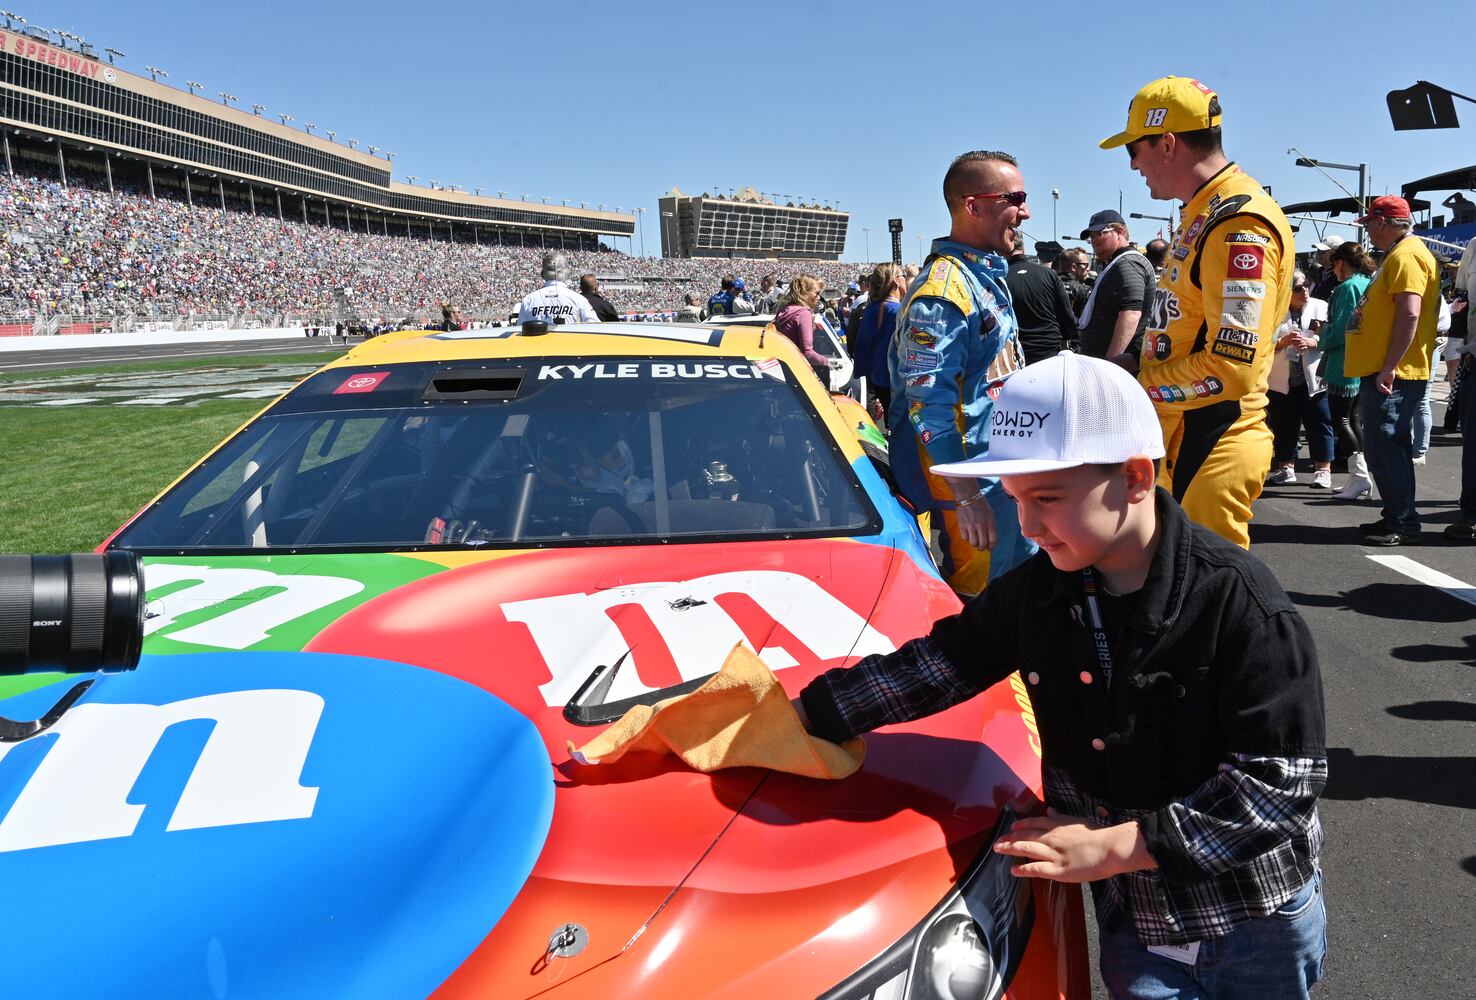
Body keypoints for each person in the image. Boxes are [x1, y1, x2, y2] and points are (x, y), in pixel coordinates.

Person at [797, 352, 1328, 1000]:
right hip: (1136, 922)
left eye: (1047, 498)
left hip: (1253, 922)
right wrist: (804, 715)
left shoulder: (1241, 605)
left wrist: (1114, 849)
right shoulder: (1035, 594)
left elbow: (1276, 789)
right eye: (1016, 499)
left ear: (1134, 477)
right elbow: (940, 665)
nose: (1026, 526)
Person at [1101, 76, 1294, 549]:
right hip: (1182, 432)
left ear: (1167, 144)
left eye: (1134, 148)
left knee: (1208, 606)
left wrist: (1132, 390)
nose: (1131, 164)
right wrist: (1131, 363)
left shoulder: (1237, 223)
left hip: (1211, 437)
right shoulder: (1202, 211)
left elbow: (1232, 366)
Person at [888, 149, 1034, 596]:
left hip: (1004, 474)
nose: (1025, 211)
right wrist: (968, 498)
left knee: (1019, 594)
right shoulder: (943, 293)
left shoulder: (984, 274)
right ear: (973, 206)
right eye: (1015, 198)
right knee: (983, 607)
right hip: (972, 486)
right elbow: (927, 409)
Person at [1342, 196, 1442, 545]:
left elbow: (1409, 313)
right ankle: (1395, 517)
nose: (1367, 229)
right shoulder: (1400, 254)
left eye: (1369, 222)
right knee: (1384, 445)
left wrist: (1391, 366)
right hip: (1387, 369)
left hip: (1394, 371)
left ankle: (1402, 523)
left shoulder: (1407, 255)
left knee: (1387, 444)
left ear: (1383, 222)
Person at [1320, 241, 1377, 500]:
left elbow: (1344, 326)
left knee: (1342, 419)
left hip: (1344, 362)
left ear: (1341, 262)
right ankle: (1359, 478)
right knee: (1353, 419)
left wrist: (1320, 336)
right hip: (1359, 359)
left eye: (1334, 264)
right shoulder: (1366, 282)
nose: (1333, 270)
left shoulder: (1349, 286)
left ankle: (1360, 477)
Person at [1265, 273, 1333, 487]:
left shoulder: (1320, 306)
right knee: (1284, 424)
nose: (1304, 290)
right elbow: (1263, 342)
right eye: (1298, 288)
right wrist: (1282, 342)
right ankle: (1286, 467)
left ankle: (1323, 470)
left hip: (1313, 378)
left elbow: (1331, 334)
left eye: (1307, 284)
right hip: (1280, 379)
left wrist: (1314, 342)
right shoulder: (1273, 309)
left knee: (1320, 423)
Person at [1077, 210, 1154, 361]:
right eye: (1091, 237)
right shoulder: (1118, 262)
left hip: (1115, 367)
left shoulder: (1127, 263)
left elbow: (1130, 315)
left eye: (1099, 233)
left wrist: (1110, 364)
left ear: (1120, 231)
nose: (1093, 240)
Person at [1005, 235, 1079, 363]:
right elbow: (1066, 314)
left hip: (1017, 355)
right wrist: (1075, 343)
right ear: (1023, 248)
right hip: (1050, 351)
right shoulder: (1049, 274)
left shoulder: (1000, 278)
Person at [851, 263, 905, 416]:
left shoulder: (871, 307)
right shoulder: (897, 311)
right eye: (903, 276)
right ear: (895, 280)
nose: (905, 280)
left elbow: (862, 345)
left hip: (878, 377)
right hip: (896, 379)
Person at [773, 274, 836, 384]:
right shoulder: (803, 313)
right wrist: (825, 362)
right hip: (796, 371)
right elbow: (807, 352)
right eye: (816, 293)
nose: (818, 297)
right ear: (805, 292)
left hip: (782, 368)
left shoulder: (785, 310)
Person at [516, 251, 600, 326]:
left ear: (542, 274)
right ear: (567, 273)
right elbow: (596, 327)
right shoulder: (579, 299)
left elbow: (519, 330)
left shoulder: (528, 300)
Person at [1309, 237, 1344, 303]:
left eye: (1322, 251)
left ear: (1335, 253)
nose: (1318, 254)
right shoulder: (1320, 273)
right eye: (1318, 250)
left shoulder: (1341, 276)